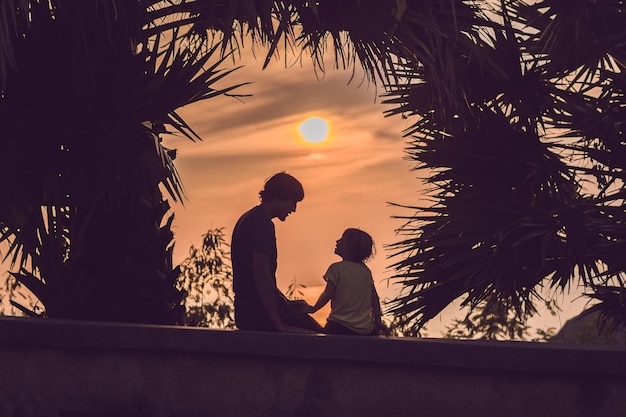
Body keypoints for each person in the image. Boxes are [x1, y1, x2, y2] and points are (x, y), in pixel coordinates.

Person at [231, 172, 323, 333]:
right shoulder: (261, 223)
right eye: (292, 202)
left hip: (246, 311)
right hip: (258, 314)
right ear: (277, 197)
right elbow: (261, 274)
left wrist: (288, 304)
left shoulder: (248, 218)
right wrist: (279, 324)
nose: (293, 209)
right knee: (325, 341)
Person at [306, 228, 387, 336]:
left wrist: (313, 308)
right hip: (364, 329)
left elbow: (328, 294)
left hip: (339, 326)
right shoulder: (366, 271)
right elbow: (374, 298)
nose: (337, 241)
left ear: (350, 248)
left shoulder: (336, 268)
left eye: (342, 240)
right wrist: (377, 320)